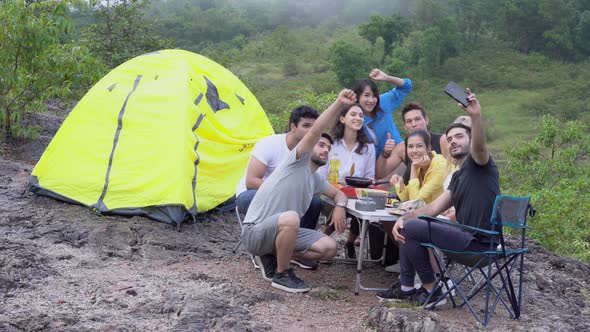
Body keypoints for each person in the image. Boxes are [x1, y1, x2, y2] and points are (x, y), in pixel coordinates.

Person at [376, 89, 501, 308]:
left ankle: (432, 288)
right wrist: (404, 218)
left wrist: (475, 116)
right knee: (411, 225)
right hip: (465, 237)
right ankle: (407, 288)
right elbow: (432, 208)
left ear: (471, 140)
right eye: (450, 138)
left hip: (481, 244)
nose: (453, 141)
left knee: (413, 226)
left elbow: (480, 147)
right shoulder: (458, 176)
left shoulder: (481, 165)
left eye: (459, 137)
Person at [241, 89, 356, 293]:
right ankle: (282, 274)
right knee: (291, 218)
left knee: (329, 248)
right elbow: (316, 130)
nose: (325, 149)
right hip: (255, 232)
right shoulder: (295, 161)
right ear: (309, 146)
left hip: (281, 230)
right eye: (320, 144)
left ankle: (275, 256)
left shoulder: (316, 179)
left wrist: (339, 206)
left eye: (328, 148)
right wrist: (339, 103)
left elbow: (339, 194)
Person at [235, 105, 322, 231]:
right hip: (252, 194)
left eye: (314, 127)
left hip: (287, 199)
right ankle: (269, 244)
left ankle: (298, 245)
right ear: (293, 127)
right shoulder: (270, 144)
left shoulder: (310, 152)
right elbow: (251, 182)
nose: (311, 131)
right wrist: (285, 193)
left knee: (315, 202)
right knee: (253, 197)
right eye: (306, 126)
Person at [316, 104, 376, 258]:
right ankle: (321, 240)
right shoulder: (331, 144)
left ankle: (350, 242)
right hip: (329, 193)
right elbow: (320, 176)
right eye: (353, 114)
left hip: (356, 193)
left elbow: (370, 177)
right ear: (342, 118)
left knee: (367, 205)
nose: (358, 118)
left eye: (361, 116)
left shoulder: (368, 147)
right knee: (340, 203)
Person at [376, 102, 448, 180]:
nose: (414, 124)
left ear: (426, 120)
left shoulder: (442, 140)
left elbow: (453, 171)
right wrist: (385, 153)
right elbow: (380, 175)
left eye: (417, 119)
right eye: (409, 121)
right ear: (404, 126)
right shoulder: (402, 148)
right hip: (414, 189)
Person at [352, 69, 412, 160]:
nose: (371, 100)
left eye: (374, 95)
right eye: (367, 95)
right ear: (357, 97)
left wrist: (386, 78)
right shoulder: (353, 120)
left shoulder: (382, 102)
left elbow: (406, 87)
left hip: (400, 155)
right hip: (375, 165)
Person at [390, 129, 450, 204]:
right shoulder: (420, 164)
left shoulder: (440, 166)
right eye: (410, 146)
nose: (414, 150)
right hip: (427, 212)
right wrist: (400, 184)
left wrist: (414, 168)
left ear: (428, 148)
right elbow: (406, 198)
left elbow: (415, 201)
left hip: (445, 214)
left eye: (419, 146)